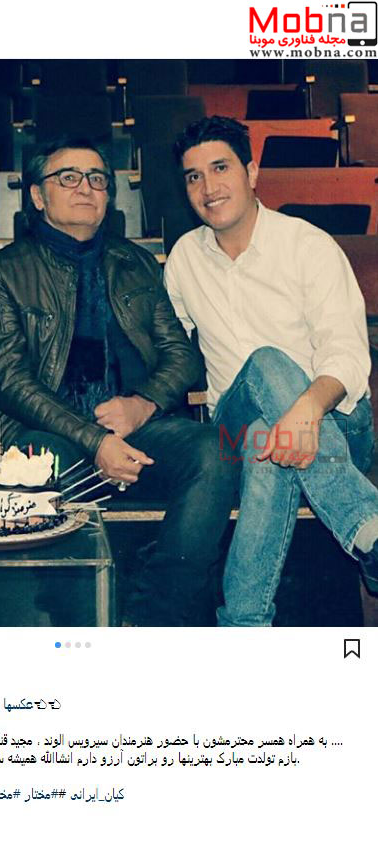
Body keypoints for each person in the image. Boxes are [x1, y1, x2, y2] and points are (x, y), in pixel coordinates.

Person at [0, 136, 238, 626]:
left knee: (216, 449)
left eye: (97, 178)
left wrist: (143, 404)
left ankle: (158, 616)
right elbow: (8, 379)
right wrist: (95, 441)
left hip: (136, 429)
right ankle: (81, 621)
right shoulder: (2, 273)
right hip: (49, 434)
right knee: (39, 462)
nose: (86, 188)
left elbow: (181, 355)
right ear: (37, 196)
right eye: (68, 177)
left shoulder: (134, 263)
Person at [164, 116, 378, 626]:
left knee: (268, 439)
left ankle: (245, 626)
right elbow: (169, 353)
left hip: (338, 429)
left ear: (252, 172)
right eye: (194, 176)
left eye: (221, 168)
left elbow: (348, 353)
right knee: (263, 376)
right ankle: (369, 531)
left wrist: (306, 409)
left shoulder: (307, 246)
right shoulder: (184, 260)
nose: (209, 187)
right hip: (231, 430)